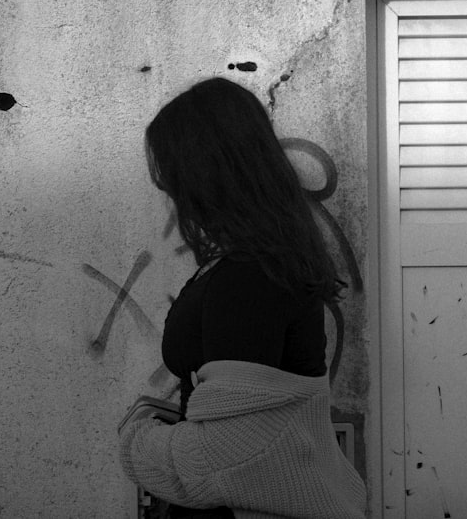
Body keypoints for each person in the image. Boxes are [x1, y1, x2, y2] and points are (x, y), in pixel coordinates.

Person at [117, 77, 367, 519]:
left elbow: (226, 458)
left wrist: (137, 439)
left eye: (175, 175)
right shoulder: (256, 263)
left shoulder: (251, 277)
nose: (172, 192)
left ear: (205, 173)